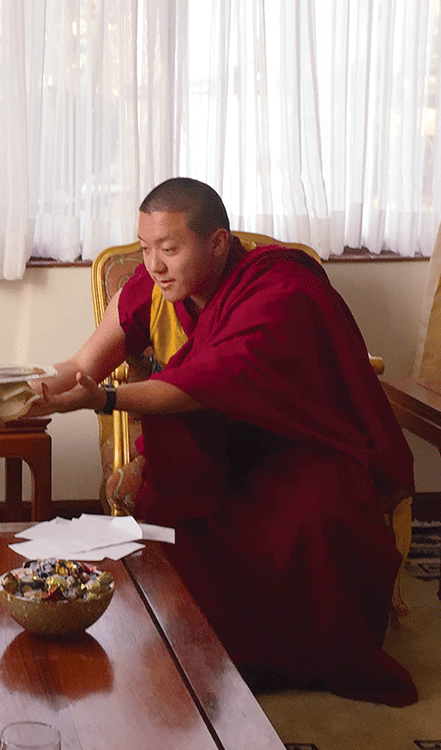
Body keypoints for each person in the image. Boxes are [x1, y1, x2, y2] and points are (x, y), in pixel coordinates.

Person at [33, 177, 418, 706]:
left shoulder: (279, 288)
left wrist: (103, 401)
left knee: (320, 512)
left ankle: (301, 659)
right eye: (145, 249)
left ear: (217, 242)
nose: (154, 266)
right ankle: (204, 648)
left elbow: (211, 381)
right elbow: (82, 365)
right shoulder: (149, 293)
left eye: (169, 249)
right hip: (207, 449)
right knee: (170, 511)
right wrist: (27, 388)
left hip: (292, 444)